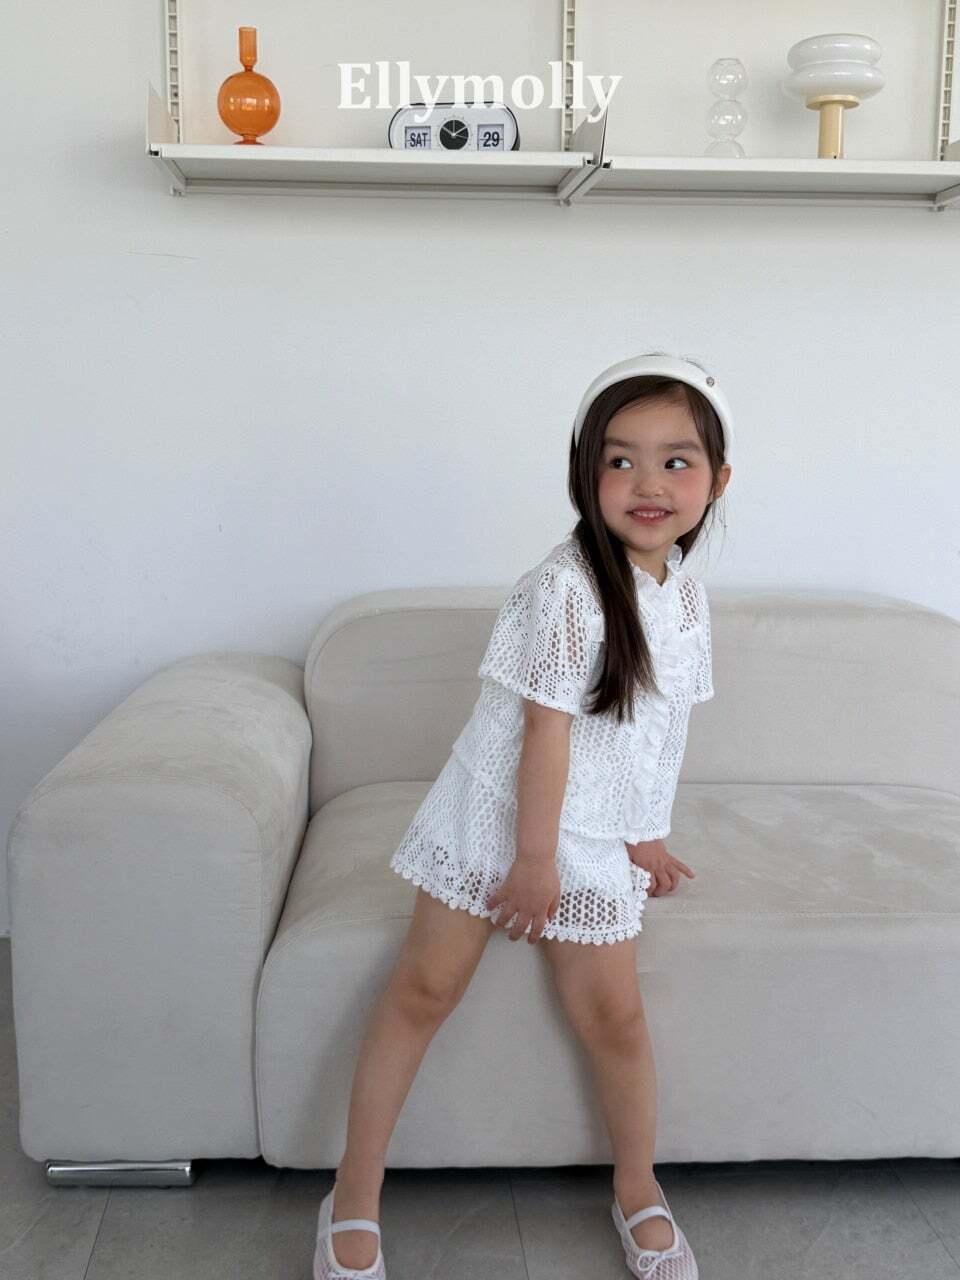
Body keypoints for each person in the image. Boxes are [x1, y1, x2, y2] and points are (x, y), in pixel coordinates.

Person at [312, 351, 733, 1280]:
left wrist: (643, 833)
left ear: (717, 481)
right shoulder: (564, 588)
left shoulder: (687, 599)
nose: (648, 483)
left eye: (676, 461)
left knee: (616, 1015)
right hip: (500, 814)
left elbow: (659, 731)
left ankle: (637, 1186)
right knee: (424, 990)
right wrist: (532, 861)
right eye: (620, 460)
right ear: (585, 475)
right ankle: (353, 1193)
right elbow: (545, 732)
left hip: (591, 831)